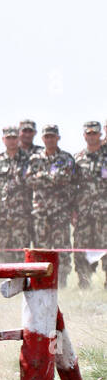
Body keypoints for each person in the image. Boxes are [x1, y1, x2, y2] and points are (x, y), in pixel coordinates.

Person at [29, 124, 79, 287]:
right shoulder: (35, 159)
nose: (50, 139)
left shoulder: (66, 158)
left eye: (53, 136)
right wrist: (53, 177)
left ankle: (62, 283)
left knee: (62, 249)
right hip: (41, 212)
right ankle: (42, 283)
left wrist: (43, 177)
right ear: (42, 139)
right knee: (41, 249)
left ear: (58, 138)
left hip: (60, 212)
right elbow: (29, 180)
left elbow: (69, 180)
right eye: (47, 137)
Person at [0, 126, 33, 261]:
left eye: (14, 138)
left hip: (22, 216)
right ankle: (3, 282)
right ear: (3, 140)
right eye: (8, 138)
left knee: (21, 254)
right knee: (2, 254)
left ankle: (22, 282)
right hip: (1, 216)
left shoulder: (29, 159)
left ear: (19, 139)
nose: (12, 141)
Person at [74, 121, 107, 288]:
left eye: (95, 133)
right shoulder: (78, 158)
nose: (92, 136)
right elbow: (71, 187)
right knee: (81, 248)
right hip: (84, 214)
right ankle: (84, 284)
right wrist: (73, 211)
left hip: (105, 214)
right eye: (89, 133)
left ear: (100, 135)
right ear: (84, 136)